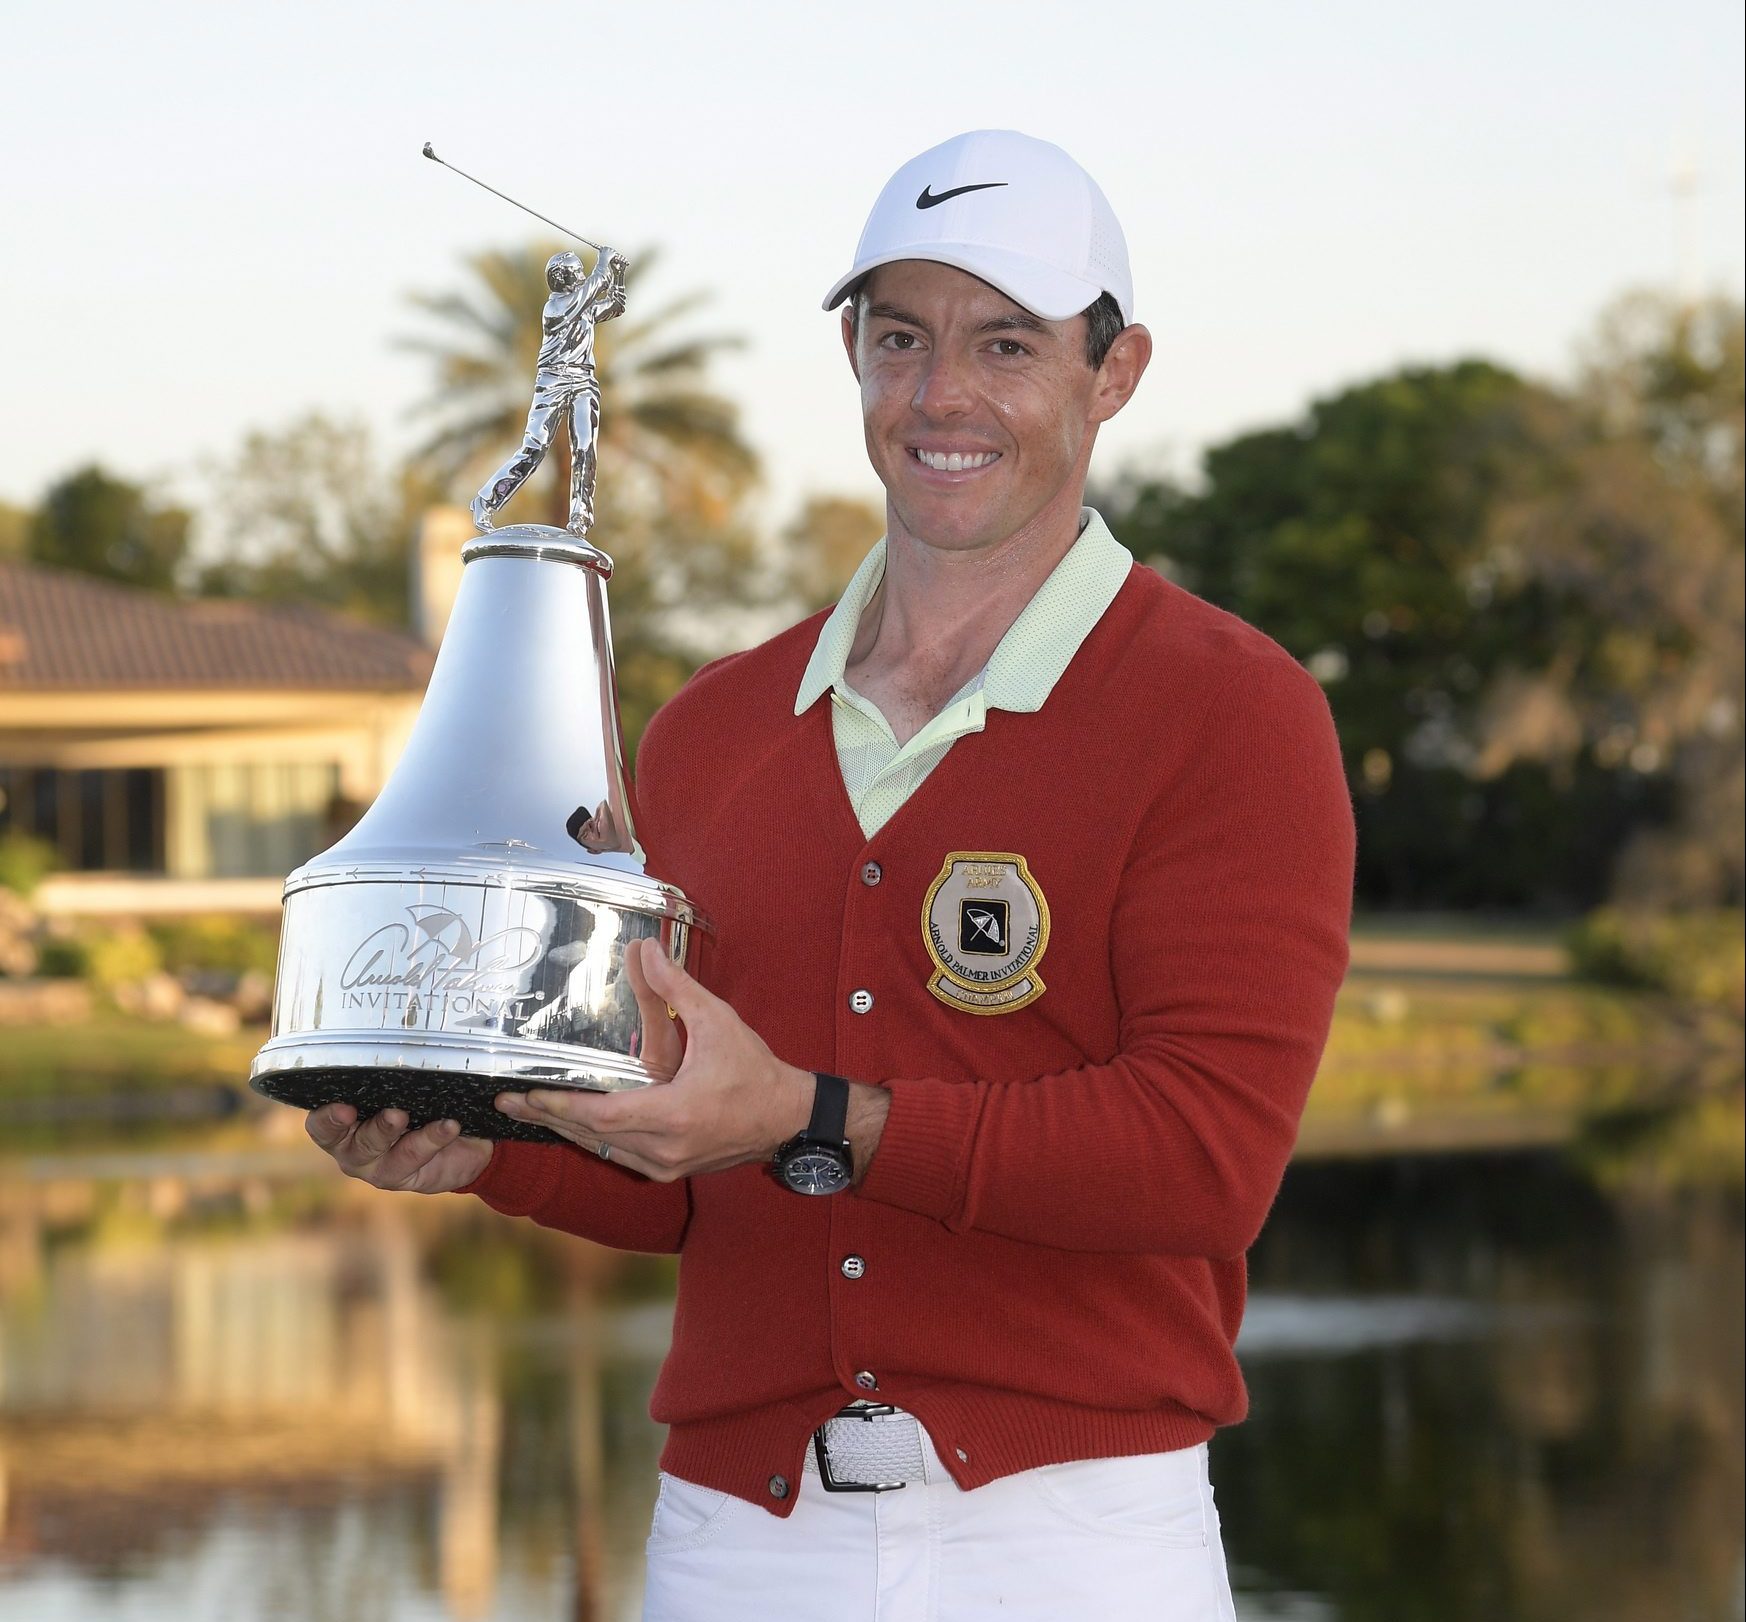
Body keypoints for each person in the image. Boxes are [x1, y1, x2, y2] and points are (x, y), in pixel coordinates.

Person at [307, 128, 1357, 1621]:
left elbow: (1201, 1161)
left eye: (1004, 342)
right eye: (897, 337)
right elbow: (680, 1166)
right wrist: (491, 1146)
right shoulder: (711, 727)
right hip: (738, 1539)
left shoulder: (1229, 708)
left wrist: (812, 1116)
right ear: (852, 359)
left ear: (1112, 374)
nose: (940, 395)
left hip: (1071, 1543)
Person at [472, 244, 629, 536]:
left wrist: (617, 275)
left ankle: (581, 516)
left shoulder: (583, 306)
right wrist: (603, 264)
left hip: (583, 381)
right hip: (552, 381)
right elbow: (590, 291)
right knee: (534, 449)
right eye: (577, 272)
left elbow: (616, 306)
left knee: (584, 448)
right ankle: (485, 501)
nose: (582, 276)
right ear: (562, 278)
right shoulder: (556, 306)